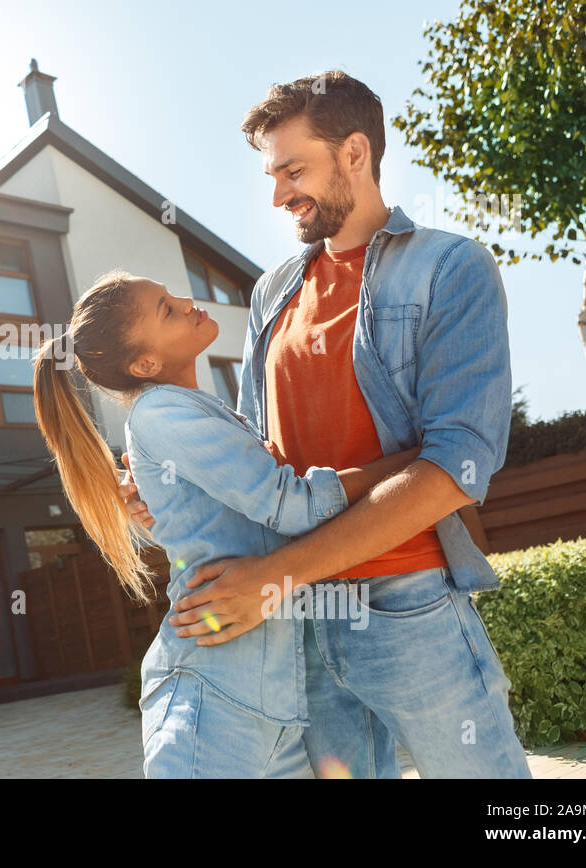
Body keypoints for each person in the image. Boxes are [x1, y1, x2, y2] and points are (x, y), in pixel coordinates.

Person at [120, 70, 531, 778]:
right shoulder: (272, 293)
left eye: (292, 170)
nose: (278, 194)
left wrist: (273, 575)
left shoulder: (449, 267)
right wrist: (175, 501)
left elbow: (458, 468)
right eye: (271, 176)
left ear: (355, 153)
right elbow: (257, 462)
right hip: (297, 626)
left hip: (406, 605)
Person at [32, 269, 421, 777]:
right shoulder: (160, 415)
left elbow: (221, 520)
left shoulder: (206, 411)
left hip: (272, 698)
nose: (187, 300)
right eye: (167, 309)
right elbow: (291, 504)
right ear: (146, 363)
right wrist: (415, 462)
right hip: (211, 698)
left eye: (171, 294)